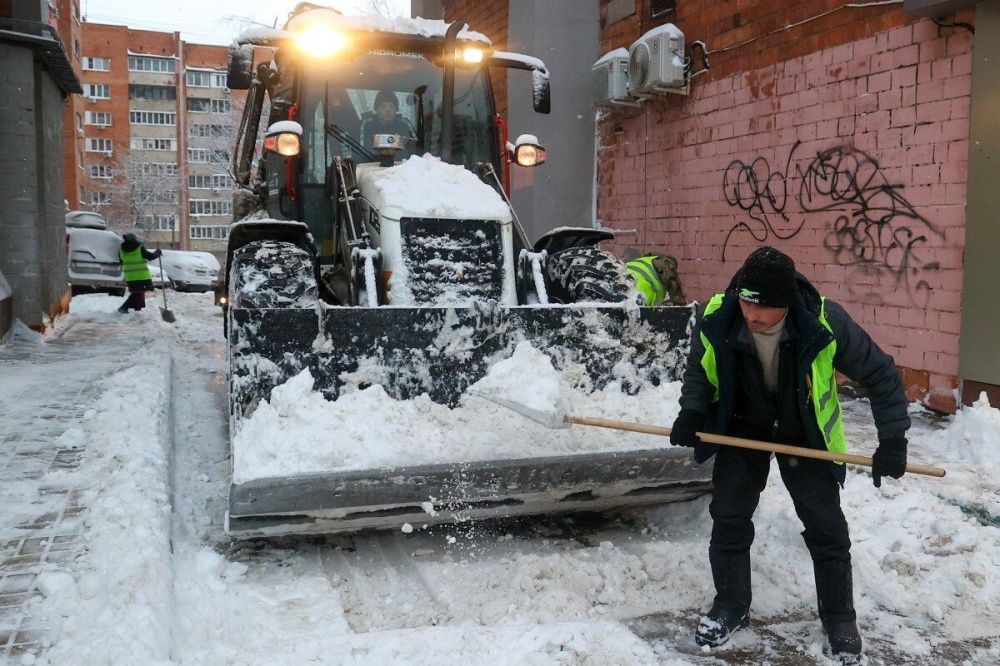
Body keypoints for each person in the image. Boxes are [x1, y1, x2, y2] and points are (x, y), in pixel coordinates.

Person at [669, 246, 910, 664]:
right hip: (743, 424)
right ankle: (731, 605)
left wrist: (892, 440)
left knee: (825, 525)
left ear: (786, 304)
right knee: (728, 514)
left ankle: (838, 617)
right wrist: (692, 411)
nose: (751, 315)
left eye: (763, 308)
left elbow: (881, 373)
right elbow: (699, 371)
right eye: (746, 301)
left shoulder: (825, 322)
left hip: (804, 432)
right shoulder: (718, 315)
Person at [117, 233, 161, 314]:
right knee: (138, 292)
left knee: (138, 292)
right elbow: (150, 256)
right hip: (142, 276)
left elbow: (121, 261)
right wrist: (158, 253)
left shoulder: (121, 251)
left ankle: (137, 310)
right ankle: (124, 307)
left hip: (130, 276)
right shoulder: (139, 248)